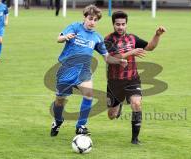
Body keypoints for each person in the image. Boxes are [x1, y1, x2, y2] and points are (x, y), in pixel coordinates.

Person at [50, 5, 127, 137]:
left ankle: (81, 126)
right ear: (84, 18)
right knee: (60, 100)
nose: (92, 22)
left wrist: (119, 61)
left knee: (89, 95)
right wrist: (65, 37)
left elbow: (107, 57)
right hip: (67, 70)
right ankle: (58, 121)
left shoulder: (97, 38)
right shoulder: (75, 27)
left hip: (84, 71)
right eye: (90, 18)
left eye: (96, 20)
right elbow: (58, 38)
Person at [105, 11, 166, 144]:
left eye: (123, 24)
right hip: (114, 82)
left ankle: (135, 139)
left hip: (132, 79)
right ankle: (118, 104)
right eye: (117, 24)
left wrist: (157, 35)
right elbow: (111, 58)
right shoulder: (108, 39)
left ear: (126, 24)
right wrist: (131, 52)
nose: (120, 27)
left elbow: (150, 47)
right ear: (113, 24)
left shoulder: (132, 38)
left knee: (137, 104)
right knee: (112, 115)